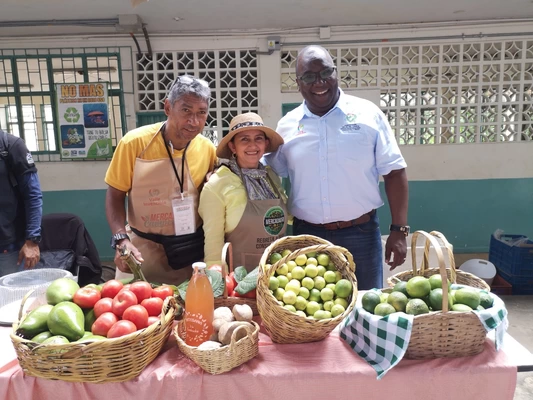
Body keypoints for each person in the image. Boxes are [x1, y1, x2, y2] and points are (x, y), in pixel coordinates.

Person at [264, 45, 409, 290]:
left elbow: (395, 172)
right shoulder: (288, 126)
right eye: (309, 76)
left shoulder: (367, 115)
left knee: (366, 309)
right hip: (306, 238)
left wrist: (399, 229)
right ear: (298, 83)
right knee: (312, 316)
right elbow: (269, 170)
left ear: (336, 73)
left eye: (325, 73)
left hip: (361, 235)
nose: (319, 82)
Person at [105, 75, 217, 285]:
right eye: (186, 110)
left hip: (191, 253)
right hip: (142, 252)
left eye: (201, 113)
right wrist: (121, 240)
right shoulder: (134, 143)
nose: (193, 121)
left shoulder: (207, 149)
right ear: (167, 107)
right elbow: (114, 195)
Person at [199, 113, 287, 271]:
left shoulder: (271, 176)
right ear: (233, 146)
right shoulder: (217, 184)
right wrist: (219, 282)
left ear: (266, 144)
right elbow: (213, 246)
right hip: (239, 280)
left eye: (258, 138)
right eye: (244, 139)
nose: (253, 145)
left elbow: (289, 213)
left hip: (277, 275)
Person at [0, 129, 43, 277]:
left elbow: (33, 195)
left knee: (14, 297)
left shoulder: (10, 146)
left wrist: (32, 240)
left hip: (8, 248)